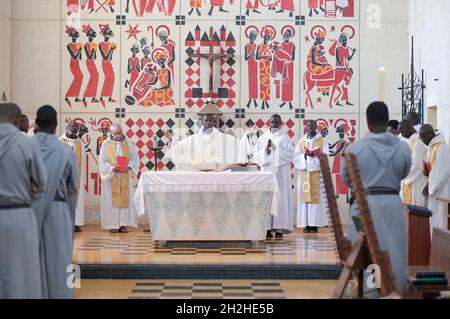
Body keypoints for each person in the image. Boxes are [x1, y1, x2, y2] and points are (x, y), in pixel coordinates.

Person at [341, 101, 411, 296]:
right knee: (393, 249)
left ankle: (369, 292)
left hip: (362, 208)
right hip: (392, 205)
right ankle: (392, 291)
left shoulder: (355, 149)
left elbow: (347, 179)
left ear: (368, 121)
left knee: (365, 252)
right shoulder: (403, 148)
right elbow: (404, 173)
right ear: (387, 120)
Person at [0, 103, 47, 299]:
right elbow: (41, 183)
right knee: (23, 271)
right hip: (20, 213)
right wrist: (27, 195)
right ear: (18, 120)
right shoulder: (27, 143)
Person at [32, 105, 78, 299]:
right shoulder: (65, 151)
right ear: (55, 125)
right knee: (60, 259)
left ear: (36, 124)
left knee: (32, 260)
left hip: (30, 211)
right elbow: (72, 188)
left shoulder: (25, 146)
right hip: (57, 211)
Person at [241, 115, 295, 239]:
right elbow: (256, 155)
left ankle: (280, 228)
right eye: (272, 121)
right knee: (267, 200)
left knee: (280, 200)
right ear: (269, 122)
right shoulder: (263, 138)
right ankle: (267, 228)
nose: (274, 124)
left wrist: (274, 150)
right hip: (267, 174)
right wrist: (266, 150)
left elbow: (290, 155)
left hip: (281, 175)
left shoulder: (285, 137)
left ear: (280, 123)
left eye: (276, 122)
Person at [165, 105, 240, 170]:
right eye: (206, 120)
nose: (208, 122)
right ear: (202, 122)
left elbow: (236, 143)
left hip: (218, 170)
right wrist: (172, 140)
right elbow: (181, 146)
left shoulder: (222, 137)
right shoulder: (194, 138)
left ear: (214, 122)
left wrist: (246, 138)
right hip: (198, 171)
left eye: (210, 120)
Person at [99, 123, 141, 233]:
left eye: (119, 133)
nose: (117, 136)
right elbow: (102, 161)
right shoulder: (105, 143)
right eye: (115, 133)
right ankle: (113, 224)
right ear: (110, 132)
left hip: (125, 176)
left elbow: (135, 158)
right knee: (112, 200)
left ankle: (123, 224)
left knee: (124, 199)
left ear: (122, 131)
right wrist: (112, 168)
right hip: (112, 176)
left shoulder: (128, 142)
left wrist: (129, 166)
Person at [295, 120, 329, 233]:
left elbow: (326, 156)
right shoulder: (301, 140)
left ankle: (314, 224)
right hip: (304, 173)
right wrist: (304, 156)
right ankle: (306, 224)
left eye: (312, 126)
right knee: (305, 200)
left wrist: (315, 155)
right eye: (308, 126)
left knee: (315, 200)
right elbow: (296, 156)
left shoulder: (322, 140)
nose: (309, 127)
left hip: (316, 173)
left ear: (316, 127)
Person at [420, 124, 450, 232]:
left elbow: (441, 170)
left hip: (441, 190)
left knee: (439, 220)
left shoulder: (441, 147)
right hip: (433, 189)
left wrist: (430, 185)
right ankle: (433, 244)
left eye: (423, 137)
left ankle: (439, 246)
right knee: (433, 219)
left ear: (430, 134)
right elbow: (431, 168)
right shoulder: (430, 147)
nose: (423, 140)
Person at [60, 122, 85, 233]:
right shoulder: (60, 141)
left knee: (76, 199)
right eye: (72, 130)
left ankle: (75, 223)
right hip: (64, 174)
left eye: (76, 131)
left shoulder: (79, 142)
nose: (73, 132)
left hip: (76, 174)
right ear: (67, 128)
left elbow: (82, 158)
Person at [398, 120, 427, 207]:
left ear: (409, 128)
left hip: (415, 183)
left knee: (415, 213)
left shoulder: (418, 142)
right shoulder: (408, 141)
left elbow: (417, 165)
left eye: (402, 131)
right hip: (407, 181)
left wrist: (402, 175)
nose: (401, 134)